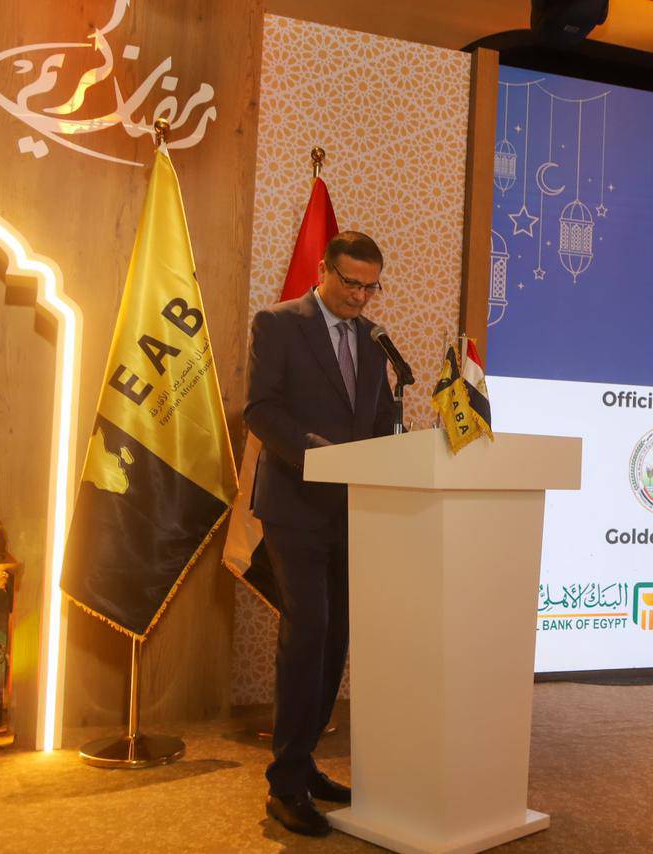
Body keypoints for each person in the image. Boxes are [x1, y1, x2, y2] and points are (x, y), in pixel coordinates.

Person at [244, 230, 396, 837]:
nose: (361, 296)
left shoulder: (375, 342)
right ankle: (284, 784)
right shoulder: (279, 324)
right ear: (324, 270)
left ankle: (305, 762)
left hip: (352, 511)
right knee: (307, 631)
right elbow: (260, 409)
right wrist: (318, 455)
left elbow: (378, 421)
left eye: (371, 287)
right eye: (351, 282)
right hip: (295, 506)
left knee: (335, 638)